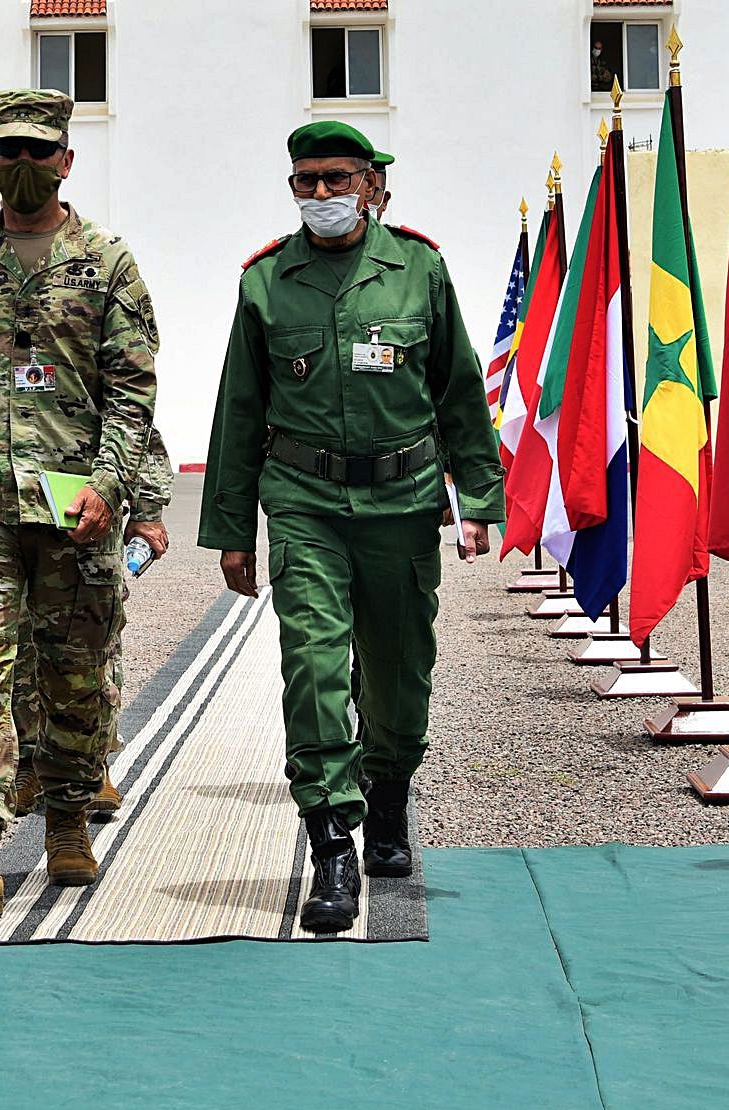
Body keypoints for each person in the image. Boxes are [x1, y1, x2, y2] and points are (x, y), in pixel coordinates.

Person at [197, 121, 500, 934]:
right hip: (304, 503)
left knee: (398, 679)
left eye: (337, 178)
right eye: (306, 181)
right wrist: (232, 529)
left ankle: (388, 795)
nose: (322, 194)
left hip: (402, 509)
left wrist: (479, 496)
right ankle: (331, 842)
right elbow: (239, 409)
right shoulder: (265, 282)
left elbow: (459, 390)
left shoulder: (419, 270)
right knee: (314, 666)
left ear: (370, 184)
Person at [0, 88, 158, 918]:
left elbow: (131, 391)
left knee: (75, 668)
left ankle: (71, 810)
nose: (22, 166)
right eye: (7, 151)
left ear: (66, 162)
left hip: (76, 498)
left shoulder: (108, 263)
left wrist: (112, 487)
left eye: (38, 152)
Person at [11, 430, 172, 819]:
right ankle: (28, 762)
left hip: (88, 511)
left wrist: (148, 512)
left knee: (94, 643)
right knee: (18, 643)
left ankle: (95, 763)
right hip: (10, 515)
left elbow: (138, 426)